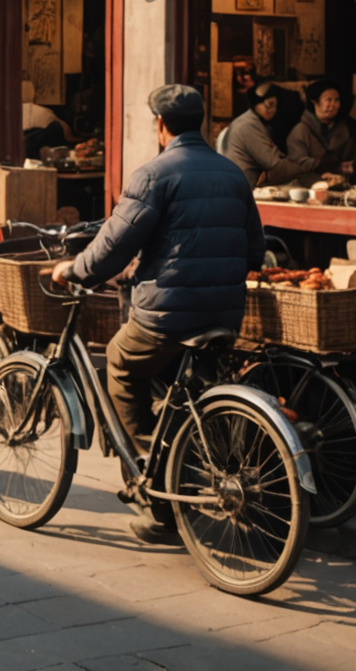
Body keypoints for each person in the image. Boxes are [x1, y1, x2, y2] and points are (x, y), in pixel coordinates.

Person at [51, 84, 264, 543]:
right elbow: (255, 251)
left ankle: (154, 479)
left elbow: (114, 245)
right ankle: (183, 468)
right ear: (201, 122)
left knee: (121, 362)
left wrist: (75, 270)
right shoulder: (232, 173)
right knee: (181, 390)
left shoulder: (153, 174)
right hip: (224, 312)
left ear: (161, 125)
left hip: (168, 315)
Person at [219, 81, 316, 188]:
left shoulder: (251, 121)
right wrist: (314, 165)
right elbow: (279, 167)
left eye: (275, 105)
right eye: (269, 105)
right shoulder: (248, 125)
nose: (273, 110)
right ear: (257, 104)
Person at [286, 78, 356, 184]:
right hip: (308, 185)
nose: (333, 105)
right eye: (328, 100)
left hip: (344, 185)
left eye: (337, 100)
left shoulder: (349, 129)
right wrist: (324, 167)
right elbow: (298, 166)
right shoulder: (300, 132)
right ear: (315, 103)